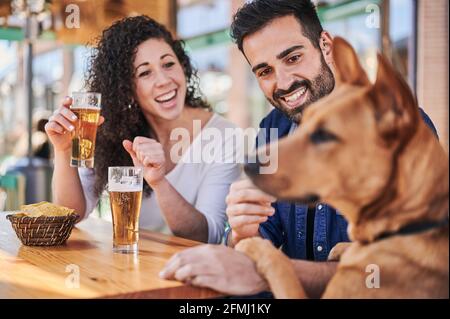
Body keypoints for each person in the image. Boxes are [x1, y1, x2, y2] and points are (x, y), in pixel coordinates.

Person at [160, 0, 438, 297]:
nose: (283, 82)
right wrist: (241, 233)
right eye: (265, 71)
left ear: (327, 46)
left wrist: (269, 271)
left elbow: (400, 271)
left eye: (293, 58)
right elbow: (255, 244)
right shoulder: (271, 131)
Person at [45, 15, 241, 243]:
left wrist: (158, 182)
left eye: (168, 64)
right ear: (126, 89)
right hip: (134, 271)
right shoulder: (112, 133)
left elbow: (208, 234)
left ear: (183, 66)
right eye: (145, 73)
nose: (164, 80)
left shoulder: (224, 137)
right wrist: (63, 150)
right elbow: (71, 214)